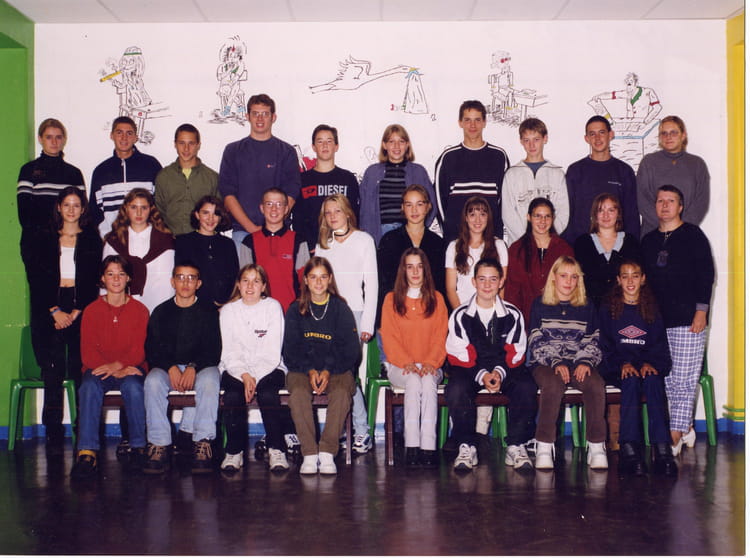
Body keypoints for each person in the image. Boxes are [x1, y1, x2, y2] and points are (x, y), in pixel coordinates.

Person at [24, 187, 101, 453]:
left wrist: (78, 310)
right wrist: (54, 310)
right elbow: (36, 277)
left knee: (80, 369)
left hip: (80, 306)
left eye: (76, 205)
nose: (71, 210)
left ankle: (83, 428)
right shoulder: (45, 236)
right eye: (66, 204)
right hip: (49, 306)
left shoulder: (91, 238)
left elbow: (93, 279)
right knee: (53, 370)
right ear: (58, 207)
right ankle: (53, 430)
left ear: (83, 209)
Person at [641, 185, 714, 456]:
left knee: (684, 378)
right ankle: (685, 426)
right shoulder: (648, 241)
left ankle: (675, 433)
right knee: (666, 379)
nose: (664, 205)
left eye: (670, 201)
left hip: (688, 319)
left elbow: (706, 274)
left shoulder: (693, 235)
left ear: (680, 206)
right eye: (660, 200)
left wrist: (701, 311)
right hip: (657, 321)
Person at [445, 258, 536, 472]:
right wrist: (483, 375)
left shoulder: (513, 314)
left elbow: (515, 352)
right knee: (456, 388)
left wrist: (498, 373)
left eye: (493, 279)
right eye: (482, 279)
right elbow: (459, 353)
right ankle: (467, 446)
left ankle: (516, 445)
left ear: (501, 282)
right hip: (471, 368)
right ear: (474, 282)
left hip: (504, 367)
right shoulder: (460, 315)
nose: (487, 285)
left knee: (526, 386)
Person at [70, 256, 149, 479]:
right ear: (102, 279)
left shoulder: (140, 310)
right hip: (98, 369)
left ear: (129, 278)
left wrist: (121, 366)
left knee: (134, 388)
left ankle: (138, 447)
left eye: (121, 274)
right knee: (88, 388)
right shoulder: (92, 310)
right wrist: (113, 368)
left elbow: (140, 350)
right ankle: (87, 453)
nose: (116, 279)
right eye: (110, 274)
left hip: (131, 368)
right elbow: (87, 353)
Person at [527, 255, 607, 470]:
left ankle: (596, 445)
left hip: (578, 362)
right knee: (553, 384)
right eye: (563, 276)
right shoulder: (540, 304)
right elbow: (535, 339)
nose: (569, 281)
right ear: (553, 277)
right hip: (546, 363)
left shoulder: (587, 306)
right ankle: (544, 445)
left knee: (595, 384)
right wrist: (555, 361)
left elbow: (594, 339)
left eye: (574, 277)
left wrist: (585, 361)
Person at [599, 260, 677, 476]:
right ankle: (629, 451)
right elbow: (604, 348)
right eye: (625, 276)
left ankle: (662, 450)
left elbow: (659, 347)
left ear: (643, 279)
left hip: (645, 365)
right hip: (619, 368)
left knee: (653, 380)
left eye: (635, 275)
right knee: (631, 381)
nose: (630, 281)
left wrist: (648, 363)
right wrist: (621, 364)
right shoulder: (608, 310)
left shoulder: (652, 309)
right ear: (618, 280)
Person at [283, 257, 360, 475]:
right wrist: (309, 369)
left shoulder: (341, 308)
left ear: (330, 279)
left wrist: (327, 369)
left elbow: (350, 349)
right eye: (313, 277)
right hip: (302, 369)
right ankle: (309, 453)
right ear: (306, 280)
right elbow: (290, 350)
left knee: (342, 393)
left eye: (323, 277)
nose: (318, 282)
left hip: (336, 368)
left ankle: (327, 452)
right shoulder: (295, 309)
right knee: (298, 394)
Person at [143, 262, 222, 475]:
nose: (185, 283)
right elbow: (152, 348)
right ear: (172, 282)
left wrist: (193, 366)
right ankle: (159, 444)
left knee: (210, 380)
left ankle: (202, 442)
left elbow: (213, 349)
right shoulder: (161, 312)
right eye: (180, 277)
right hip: (168, 368)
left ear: (199, 283)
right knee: (152, 381)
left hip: (200, 367)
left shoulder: (208, 311)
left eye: (191, 278)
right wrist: (170, 367)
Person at [219, 264, 293, 472]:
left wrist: (255, 377)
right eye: (245, 280)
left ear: (263, 286)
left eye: (256, 281)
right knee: (233, 395)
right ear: (238, 285)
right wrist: (244, 375)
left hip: (270, 368)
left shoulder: (273, 307)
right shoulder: (228, 311)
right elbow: (229, 351)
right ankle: (234, 452)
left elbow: (272, 352)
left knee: (268, 394)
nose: (250, 286)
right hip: (236, 369)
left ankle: (277, 449)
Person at [381, 248, 448, 468]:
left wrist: (430, 363)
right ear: (403, 271)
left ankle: (428, 447)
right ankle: (411, 446)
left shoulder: (437, 299)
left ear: (425, 269)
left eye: (419, 266)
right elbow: (390, 338)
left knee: (427, 381)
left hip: (431, 364)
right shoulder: (391, 300)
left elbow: (440, 336)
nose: (415, 272)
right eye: (410, 267)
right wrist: (406, 363)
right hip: (399, 366)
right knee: (412, 380)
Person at [218, 93, 300, 251]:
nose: (260, 119)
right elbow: (228, 194)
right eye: (255, 113)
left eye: (265, 114)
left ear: (273, 117)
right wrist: (252, 228)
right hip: (243, 233)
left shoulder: (287, 152)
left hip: (279, 233)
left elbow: (291, 193)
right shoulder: (233, 151)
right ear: (247, 116)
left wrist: (272, 227)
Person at [434, 100, 509, 242]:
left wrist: (494, 232)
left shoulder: (499, 156)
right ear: (460, 123)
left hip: (490, 239)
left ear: (484, 122)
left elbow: (504, 200)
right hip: (456, 239)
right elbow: (439, 200)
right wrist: (450, 232)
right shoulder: (448, 158)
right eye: (467, 120)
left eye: (477, 120)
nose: (472, 125)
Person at [563, 116, 639, 243]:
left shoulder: (624, 171)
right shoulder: (575, 171)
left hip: (616, 245)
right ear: (586, 138)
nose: (597, 138)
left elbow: (632, 216)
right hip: (582, 244)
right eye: (592, 134)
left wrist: (631, 246)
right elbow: (568, 213)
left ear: (611, 135)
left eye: (602, 132)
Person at [17, 118, 85, 260]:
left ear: (64, 140)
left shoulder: (74, 174)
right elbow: (25, 215)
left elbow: (81, 213)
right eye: (49, 137)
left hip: (68, 244)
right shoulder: (28, 170)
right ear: (40, 139)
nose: (54, 142)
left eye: (58, 137)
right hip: (36, 243)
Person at [359, 124, 437, 245]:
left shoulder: (418, 172)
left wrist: (419, 229)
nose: (396, 146)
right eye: (391, 142)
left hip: (409, 234)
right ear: (384, 145)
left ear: (407, 145)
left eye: (401, 141)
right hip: (379, 235)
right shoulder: (372, 173)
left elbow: (431, 205)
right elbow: (363, 209)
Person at [377, 184, 446, 319]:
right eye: (409, 205)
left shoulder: (438, 243)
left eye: (419, 204)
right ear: (402, 207)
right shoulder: (389, 240)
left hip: (429, 312)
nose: (414, 210)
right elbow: (382, 283)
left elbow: (441, 285)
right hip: (397, 312)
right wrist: (381, 319)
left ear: (428, 206)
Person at [103, 188, 175, 313]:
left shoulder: (164, 240)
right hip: (121, 305)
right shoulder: (114, 240)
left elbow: (166, 283)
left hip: (156, 303)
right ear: (126, 208)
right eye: (133, 207)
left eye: (144, 208)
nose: (139, 213)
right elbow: (107, 278)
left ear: (150, 209)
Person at [637, 115, 710, 238]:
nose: (668, 137)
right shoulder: (648, 162)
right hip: (653, 234)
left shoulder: (697, 164)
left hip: (686, 235)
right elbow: (643, 201)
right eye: (664, 133)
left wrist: (680, 228)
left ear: (683, 135)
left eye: (673, 133)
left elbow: (701, 203)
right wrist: (664, 226)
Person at [89, 116, 162, 237]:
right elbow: (94, 212)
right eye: (119, 132)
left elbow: (160, 206)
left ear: (135, 137)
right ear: (112, 135)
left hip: (146, 239)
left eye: (129, 133)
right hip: (111, 240)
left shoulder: (151, 166)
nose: (124, 138)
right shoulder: (101, 171)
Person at [239, 187, 311, 311]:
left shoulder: (299, 240)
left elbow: (305, 279)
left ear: (286, 209)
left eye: (279, 204)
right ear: (262, 208)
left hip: (291, 311)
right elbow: (244, 281)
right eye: (269, 204)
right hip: (258, 310)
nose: (274, 209)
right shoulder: (249, 242)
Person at [505, 198, 573, 326]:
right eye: (537, 216)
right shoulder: (516, 249)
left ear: (553, 218)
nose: (543, 221)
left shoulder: (564, 249)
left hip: (558, 320)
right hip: (525, 321)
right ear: (529, 217)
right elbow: (512, 292)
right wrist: (517, 324)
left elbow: (571, 288)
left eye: (547, 216)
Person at [501, 117, 569, 244]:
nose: (531, 145)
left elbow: (563, 212)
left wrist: (547, 237)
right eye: (527, 140)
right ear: (521, 141)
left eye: (536, 139)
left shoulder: (557, 174)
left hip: (549, 243)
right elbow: (508, 214)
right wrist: (527, 240)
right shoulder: (511, 174)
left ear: (545, 139)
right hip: (520, 244)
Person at [294, 124, 360, 251]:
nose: (325, 145)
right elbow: (298, 219)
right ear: (313, 147)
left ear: (336, 146)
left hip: (343, 246)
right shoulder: (303, 180)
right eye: (320, 141)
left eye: (329, 141)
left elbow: (354, 215)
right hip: (313, 248)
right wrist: (307, 246)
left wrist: (349, 244)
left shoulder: (348, 178)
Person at [574, 193, 640, 307]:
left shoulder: (630, 242)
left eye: (611, 210)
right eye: (601, 210)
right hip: (590, 308)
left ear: (618, 214)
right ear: (595, 215)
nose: (606, 215)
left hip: (623, 308)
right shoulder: (582, 243)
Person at [154, 123, 220, 236]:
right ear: (175, 144)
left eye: (191, 143)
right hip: (172, 240)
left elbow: (218, 214)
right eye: (181, 143)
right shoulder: (163, 176)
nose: (186, 148)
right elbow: (159, 212)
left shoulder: (212, 178)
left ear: (198, 145)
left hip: (202, 240)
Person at [445, 196, 508, 311]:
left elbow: (501, 287)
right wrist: (461, 314)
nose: (478, 220)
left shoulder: (499, 245)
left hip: (491, 310)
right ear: (466, 218)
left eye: (482, 215)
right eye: (473, 215)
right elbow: (450, 289)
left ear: (488, 218)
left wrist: (496, 313)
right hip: (463, 308)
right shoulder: (454, 247)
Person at [174, 196, 238, 305]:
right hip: (194, 305)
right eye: (205, 213)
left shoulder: (228, 244)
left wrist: (226, 304)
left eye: (215, 214)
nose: (210, 218)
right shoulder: (183, 242)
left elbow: (234, 278)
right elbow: (181, 278)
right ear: (197, 215)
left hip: (224, 305)